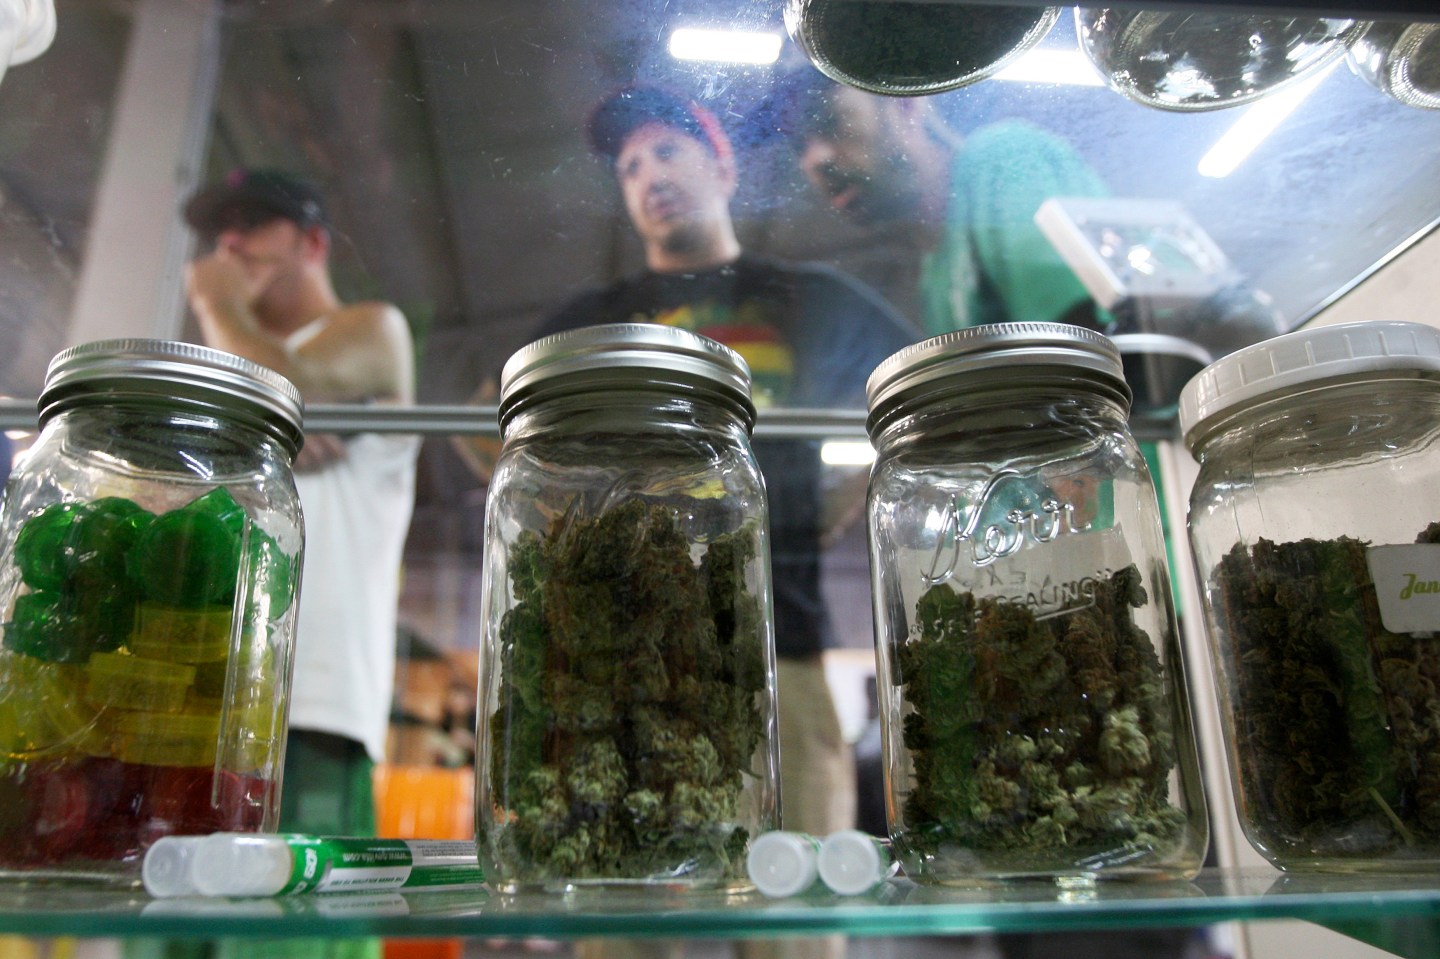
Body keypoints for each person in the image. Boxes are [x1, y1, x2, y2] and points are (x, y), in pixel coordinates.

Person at [524, 84, 918, 959]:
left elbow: (908, 402)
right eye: (628, 166)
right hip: (630, 657)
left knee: (798, 919)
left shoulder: (804, 293)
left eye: (668, 150)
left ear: (724, 162)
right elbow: (496, 425)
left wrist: (852, 488)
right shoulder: (600, 314)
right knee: (619, 912)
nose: (647, 175)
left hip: (787, 636)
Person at [176, 169, 419, 959]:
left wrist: (218, 306)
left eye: (256, 223)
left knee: (297, 942)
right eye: (222, 230)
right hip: (193, 708)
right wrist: (269, 412)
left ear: (313, 241)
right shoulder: (231, 369)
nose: (232, 243)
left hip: (311, 708)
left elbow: (286, 387)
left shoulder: (371, 330)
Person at [789, 79, 1113, 337]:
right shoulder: (934, 273)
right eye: (799, 146)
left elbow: (1090, 347)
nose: (814, 161)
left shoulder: (1003, 161)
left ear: (905, 105)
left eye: (833, 123)